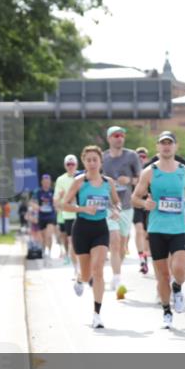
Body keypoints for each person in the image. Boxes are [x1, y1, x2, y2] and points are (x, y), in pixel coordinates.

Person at [133, 132, 185, 329]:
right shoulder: (149, 172)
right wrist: (146, 203)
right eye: (163, 144)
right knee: (162, 275)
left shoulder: (184, 171)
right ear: (157, 147)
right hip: (157, 229)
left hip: (178, 229)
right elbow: (135, 198)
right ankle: (166, 311)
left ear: (176, 147)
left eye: (170, 143)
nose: (166, 147)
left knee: (179, 269)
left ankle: (177, 288)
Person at [62, 145, 122, 329]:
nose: (92, 163)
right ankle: (80, 279)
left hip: (100, 229)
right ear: (84, 162)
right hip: (82, 228)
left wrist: (116, 211)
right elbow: (65, 204)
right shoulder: (80, 182)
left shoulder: (108, 182)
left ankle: (97, 314)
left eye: (95, 159)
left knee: (98, 270)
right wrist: (83, 208)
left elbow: (116, 202)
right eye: (88, 160)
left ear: (100, 161)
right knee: (87, 273)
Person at [102, 126, 142, 298]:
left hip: (126, 206)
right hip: (109, 206)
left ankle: (116, 273)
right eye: (116, 135)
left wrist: (130, 180)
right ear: (109, 138)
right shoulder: (102, 157)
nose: (120, 138)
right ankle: (117, 278)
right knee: (115, 241)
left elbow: (142, 179)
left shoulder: (131, 156)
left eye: (122, 136)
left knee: (123, 246)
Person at [55, 155, 81, 272]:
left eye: (73, 164)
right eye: (68, 164)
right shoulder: (61, 179)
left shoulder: (82, 177)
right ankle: (76, 269)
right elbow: (56, 200)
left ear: (77, 165)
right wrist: (62, 199)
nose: (70, 166)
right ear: (65, 166)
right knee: (72, 242)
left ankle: (83, 266)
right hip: (68, 215)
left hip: (82, 213)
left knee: (82, 242)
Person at [132, 147, 151, 275]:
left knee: (146, 233)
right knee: (139, 230)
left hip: (149, 205)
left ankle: (145, 256)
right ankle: (142, 259)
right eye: (139, 156)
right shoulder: (132, 170)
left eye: (143, 156)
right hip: (136, 205)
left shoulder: (151, 170)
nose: (141, 158)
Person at [33, 175, 58, 261]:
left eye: (48, 182)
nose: (46, 184)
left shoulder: (53, 191)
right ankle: (43, 250)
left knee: (49, 235)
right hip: (41, 216)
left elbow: (57, 201)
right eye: (45, 182)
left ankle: (49, 252)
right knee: (43, 237)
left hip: (51, 216)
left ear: (50, 182)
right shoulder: (38, 192)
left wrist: (57, 206)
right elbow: (33, 202)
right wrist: (36, 206)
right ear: (42, 182)